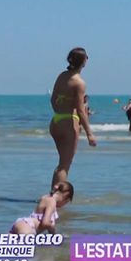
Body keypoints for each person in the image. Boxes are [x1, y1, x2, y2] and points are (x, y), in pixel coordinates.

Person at [49, 47, 96, 187]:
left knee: (62, 163)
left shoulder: (62, 76)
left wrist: (60, 112)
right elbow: (81, 110)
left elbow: (53, 99)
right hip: (69, 122)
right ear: (83, 61)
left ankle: (54, 193)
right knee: (64, 165)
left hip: (56, 121)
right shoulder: (79, 82)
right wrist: (89, 134)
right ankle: (56, 197)